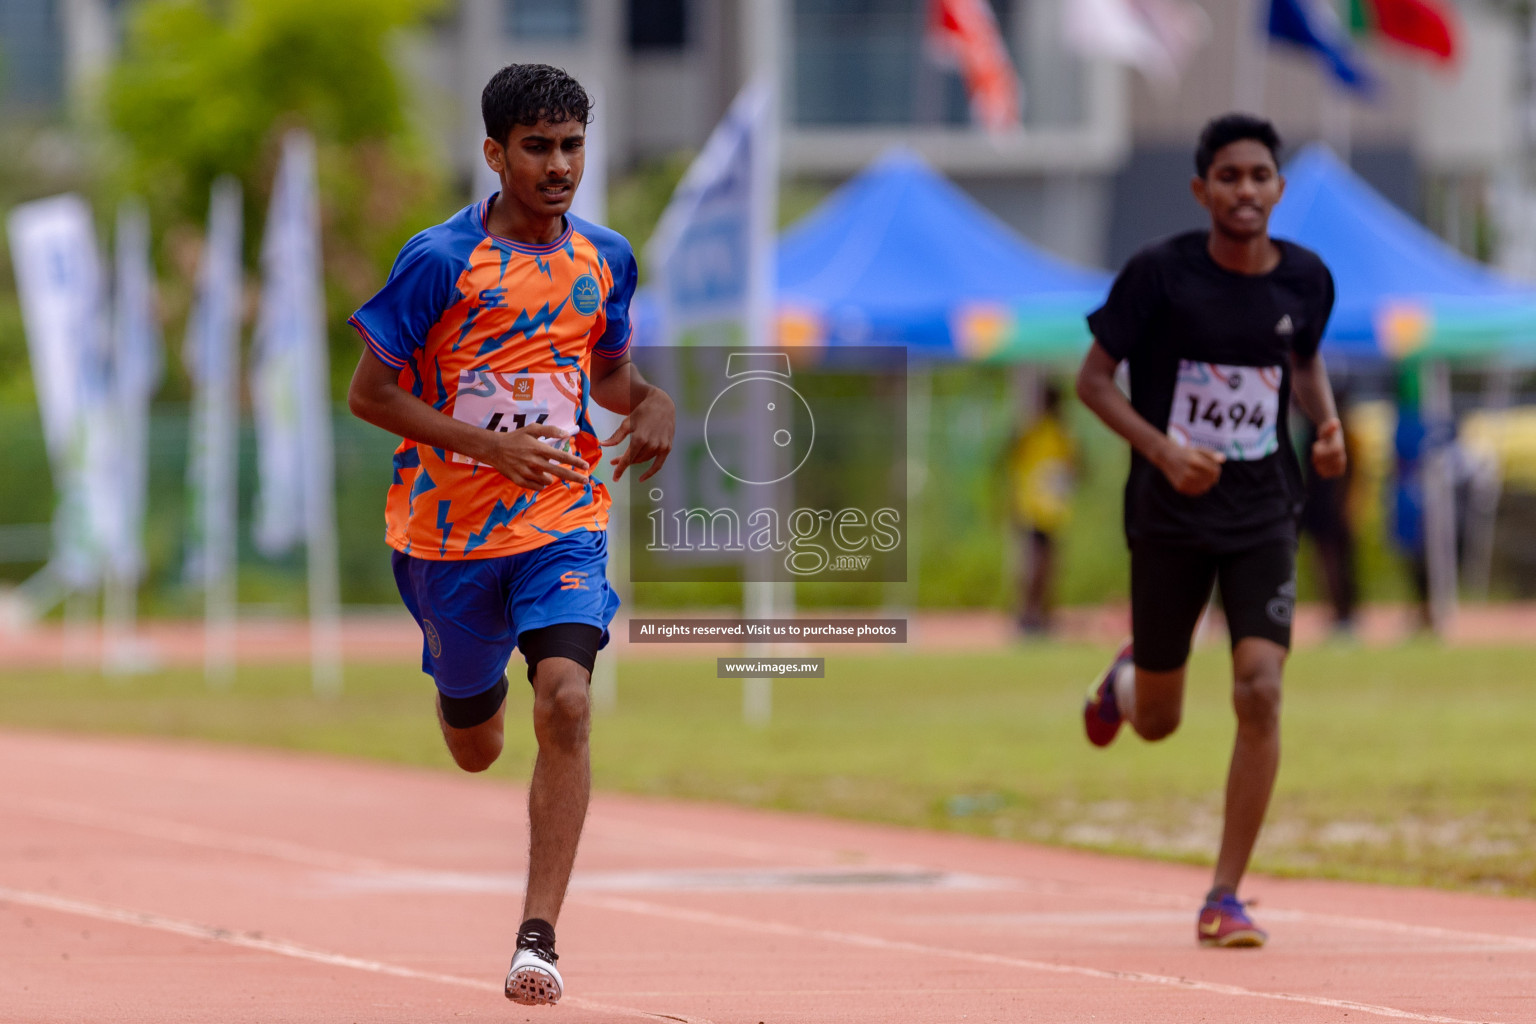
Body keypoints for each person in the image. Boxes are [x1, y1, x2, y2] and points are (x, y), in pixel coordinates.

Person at [346, 63, 674, 1005]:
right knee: (477, 744)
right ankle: (459, 689)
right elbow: (371, 395)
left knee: (566, 701)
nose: (559, 164)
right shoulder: (439, 261)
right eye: (538, 147)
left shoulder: (606, 256)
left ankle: (539, 938)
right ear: (495, 154)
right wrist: (489, 452)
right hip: (444, 537)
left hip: (560, 516)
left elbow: (606, 374)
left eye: (572, 145)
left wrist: (650, 401)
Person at [1075, 114, 1345, 948]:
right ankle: (1126, 683)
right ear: (1202, 190)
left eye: (1260, 175)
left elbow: (1300, 362)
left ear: (1279, 189)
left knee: (1259, 689)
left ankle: (1224, 894)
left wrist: (1327, 426)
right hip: (1169, 514)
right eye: (1228, 176)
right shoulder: (1159, 275)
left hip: (1264, 508)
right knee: (1160, 719)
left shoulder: (1307, 281)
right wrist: (1162, 450)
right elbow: (1092, 381)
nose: (1245, 190)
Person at [1006, 382, 1077, 634]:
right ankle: (1029, 614)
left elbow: (1073, 466)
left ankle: (1039, 614)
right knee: (1039, 562)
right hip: (1036, 507)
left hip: (1050, 509)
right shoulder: (1040, 432)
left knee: (1046, 564)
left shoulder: (1055, 432)